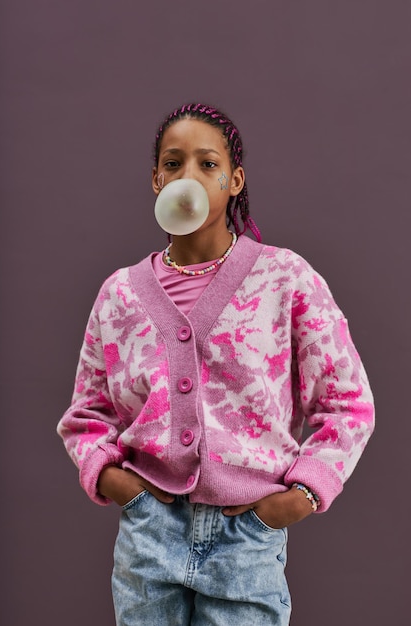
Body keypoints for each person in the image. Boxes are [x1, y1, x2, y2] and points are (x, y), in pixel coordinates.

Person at [57, 102, 375, 626]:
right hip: (147, 535)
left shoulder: (284, 278)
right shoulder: (119, 294)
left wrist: (300, 495)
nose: (189, 177)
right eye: (173, 163)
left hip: (247, 538)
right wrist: (117, 483)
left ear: (234, 180)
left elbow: (348, 405)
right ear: (157, 180)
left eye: (207, 164)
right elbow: (86, 416)